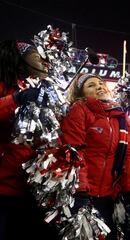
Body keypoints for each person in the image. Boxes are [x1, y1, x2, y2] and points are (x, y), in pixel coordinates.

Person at [61, 73, 130, 240]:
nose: (99, 87)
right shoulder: (79, 109)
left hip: (109, 196)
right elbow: (75, 150)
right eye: (91, 85)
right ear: (81, 93)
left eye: (101, 83)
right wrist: (81, 190)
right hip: (82, 195)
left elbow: (128, 156)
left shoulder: (120, 116)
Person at [0, 40, 58, 240]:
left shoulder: (40, 89)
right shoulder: (6, 86)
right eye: (35, 57)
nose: (42, 61)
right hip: (3, 186)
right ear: (19, 60)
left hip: (29, 187)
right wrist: (16, 99)